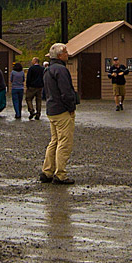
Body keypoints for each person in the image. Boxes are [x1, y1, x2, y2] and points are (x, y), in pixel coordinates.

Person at [39, 42, 79, 184]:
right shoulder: (61, 70)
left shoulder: (48, 70)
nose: (68, 54)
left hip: (51, 109)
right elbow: (66, 92)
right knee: (64, 142)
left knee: (54, 141)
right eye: (66, 52)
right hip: (62, 111)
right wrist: (71, 107)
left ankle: (47, 171)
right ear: (60, 55)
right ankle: (60, 174)